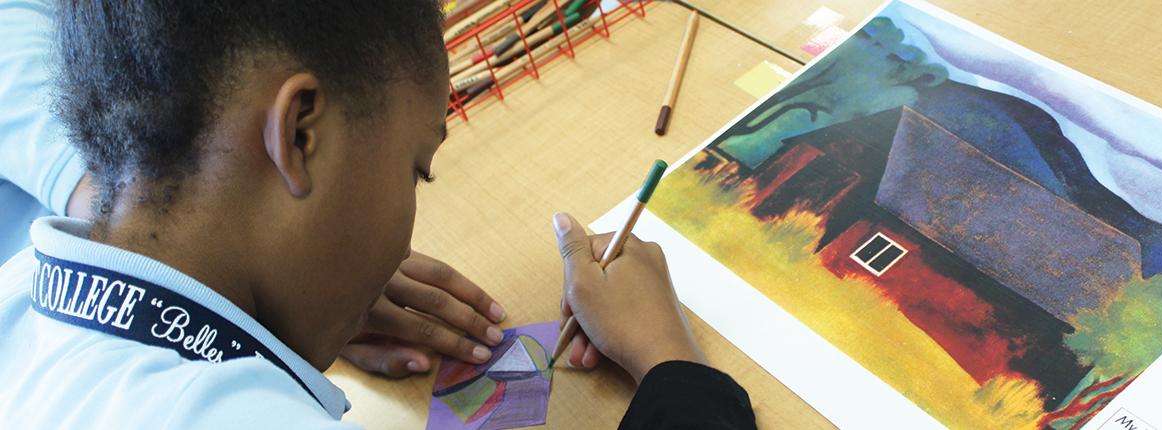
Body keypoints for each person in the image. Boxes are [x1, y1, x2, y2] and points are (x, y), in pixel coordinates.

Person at [0, 1, 756, 429]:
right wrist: (674, 365)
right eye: (417, 168)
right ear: (301, 133)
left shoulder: (23, 294)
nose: (403, 239)